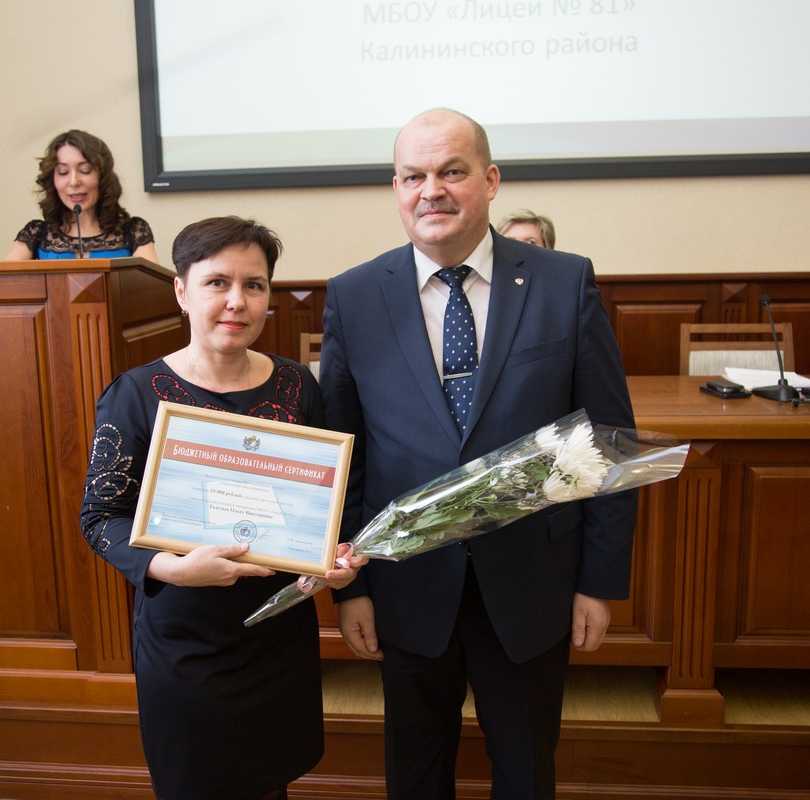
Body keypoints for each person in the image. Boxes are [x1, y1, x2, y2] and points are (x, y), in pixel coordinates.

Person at [321, 108, 637, 799]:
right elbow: (345, 455)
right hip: (406, 587)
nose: (430, 190)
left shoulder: (563, 282)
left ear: (490, 181)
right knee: (415, 773)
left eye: (451, 171)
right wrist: (355, 589)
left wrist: (599, 581)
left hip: (532, 584)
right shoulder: (354, 296)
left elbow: (607, 438)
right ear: (396, 189)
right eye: (413, 176)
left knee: (526, 771)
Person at [80, 216, 365, 800]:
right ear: (181, 291)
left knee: (269, 782)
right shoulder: (135, 393)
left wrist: (332, 556)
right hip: (186, 642)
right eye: (217, 282)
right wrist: (173, 568)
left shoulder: (297, 386)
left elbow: (320, 505)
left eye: (253, 285)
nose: (237, 301)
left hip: (276, 636)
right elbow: (100, 517)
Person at [4, 129, 159, 262]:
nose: (74, 182)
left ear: (102, 177)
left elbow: (151, 285)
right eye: (63, 172)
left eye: (85, 170)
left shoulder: (134, 231)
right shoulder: (36, 233)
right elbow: (1, 280)